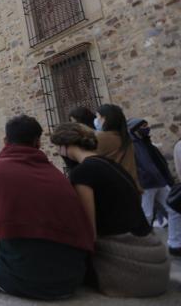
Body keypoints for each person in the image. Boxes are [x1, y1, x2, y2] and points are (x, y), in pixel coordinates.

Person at [0, 115, 93, 300]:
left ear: (5, 141)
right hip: (71, 277)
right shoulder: (58, 176)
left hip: (22, 278)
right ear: (38, 142)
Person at [50, 123, 170, 296]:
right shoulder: (111, 164)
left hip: (130, 268)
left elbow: (88, 231)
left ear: (65, 146)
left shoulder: (83, 173)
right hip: (155, 260)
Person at [128, 118, 181, 256]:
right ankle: (142, 246)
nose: (147, 128)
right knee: (147, 215)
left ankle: (175, 243)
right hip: (147, 184)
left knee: (174, 208)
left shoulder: (146, 142)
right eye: (143, 126)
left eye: (146, 125)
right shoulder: (132, 145)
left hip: (159, 182)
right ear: (135, 129)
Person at [94, 104, 140, 191]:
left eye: (97, 116)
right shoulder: (125, 137)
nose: (96, 120)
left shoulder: (101, 139)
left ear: (104, 119)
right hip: (131, 186)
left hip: (115, 188)